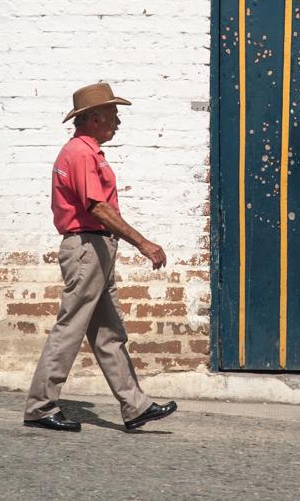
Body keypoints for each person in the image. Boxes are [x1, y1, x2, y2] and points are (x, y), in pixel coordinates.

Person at [23, 82, 177, 432]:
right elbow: (98, 207)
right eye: (112, 114)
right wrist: (143, 243)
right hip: (87, 247)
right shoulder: (81, 154)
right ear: (93, 118)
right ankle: (40, 405)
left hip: (95, 248)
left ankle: (135, 406)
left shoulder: (83, 151)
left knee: (108, 332)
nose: (117, 121)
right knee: (71, 325)